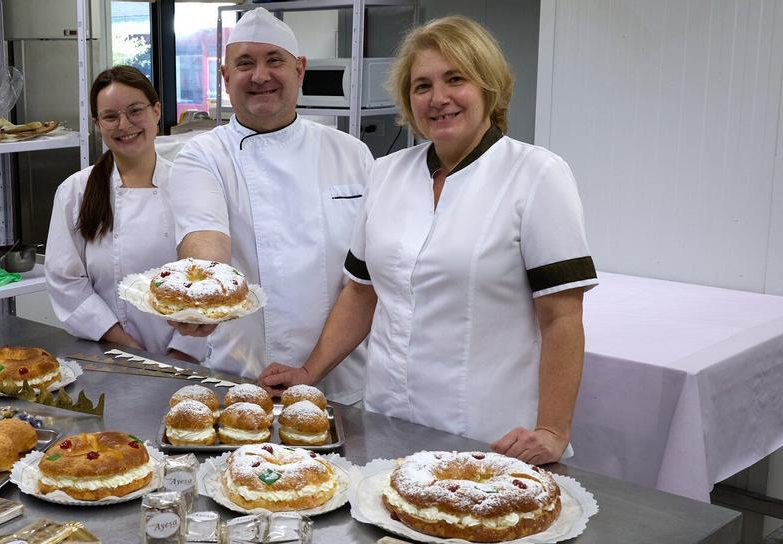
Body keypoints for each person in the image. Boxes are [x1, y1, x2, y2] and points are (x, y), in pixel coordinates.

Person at [260, 16, 597, 465]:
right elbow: (361, 292)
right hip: (387, 420)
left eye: (455, 79)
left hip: (487, 433)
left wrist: (553, 430)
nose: (438, 99)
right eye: (422, 86)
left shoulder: (536, 175)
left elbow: (562, 317)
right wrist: (309, 372)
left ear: (488, 86)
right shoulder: (388, 173)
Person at [169, 8, 373, 404]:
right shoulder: (204, 154)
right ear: (226, 78)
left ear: (299, 70)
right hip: (245, 378)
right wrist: (203, 297)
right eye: (245, 64)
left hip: (346, 381)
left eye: (274, 60)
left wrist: (313, 369)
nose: (260, 76)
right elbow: (205, 239)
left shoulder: (352, 153)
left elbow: (367, 278)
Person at [45, 66, 204, 360]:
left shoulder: (191, 187)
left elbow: (212, 279)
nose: (124, 125)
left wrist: (182, 353)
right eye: (110, 116)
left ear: (156, 111)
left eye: (135, 111)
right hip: (109, 356)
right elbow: (65, 281)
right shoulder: (75, 191)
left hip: (190, 359)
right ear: (97, 124)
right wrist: (126, 346)